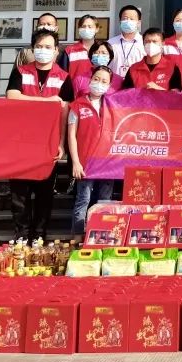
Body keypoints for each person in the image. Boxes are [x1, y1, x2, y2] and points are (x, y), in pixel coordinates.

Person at [5, 29, 72, 243]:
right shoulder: (21, 71)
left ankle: (39, 236)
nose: (43, 50)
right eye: (39, 47)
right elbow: (12, 96)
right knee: (19, 193)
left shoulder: (64, 77)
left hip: (48, 143)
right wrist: (48, 101)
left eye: (48, 47)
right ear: (33, 49)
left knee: (44, 193)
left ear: (56, 51)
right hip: (20, 141)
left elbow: (65, 112)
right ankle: (21, 235)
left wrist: (61, 143)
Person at [68, 65, 115, 242]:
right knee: (83, 200)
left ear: (109, 86)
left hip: (107, 163)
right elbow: (71, 135)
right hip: (85, 163)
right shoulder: (77, 105)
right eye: (96, 79)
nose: (99, 83)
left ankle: (102, 237)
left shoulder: (112, 104)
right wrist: (75, 162)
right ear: (90, 80)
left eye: (104, 81)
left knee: (105, 201)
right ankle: (77, 239)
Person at [107, 5, 144, 79]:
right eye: (125, 18)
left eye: (132, 19)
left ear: (139, 23)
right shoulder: (110, 43)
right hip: (115, 83)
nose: (128, 21)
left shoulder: (144, 43)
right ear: (120, 21)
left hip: (137, 83)